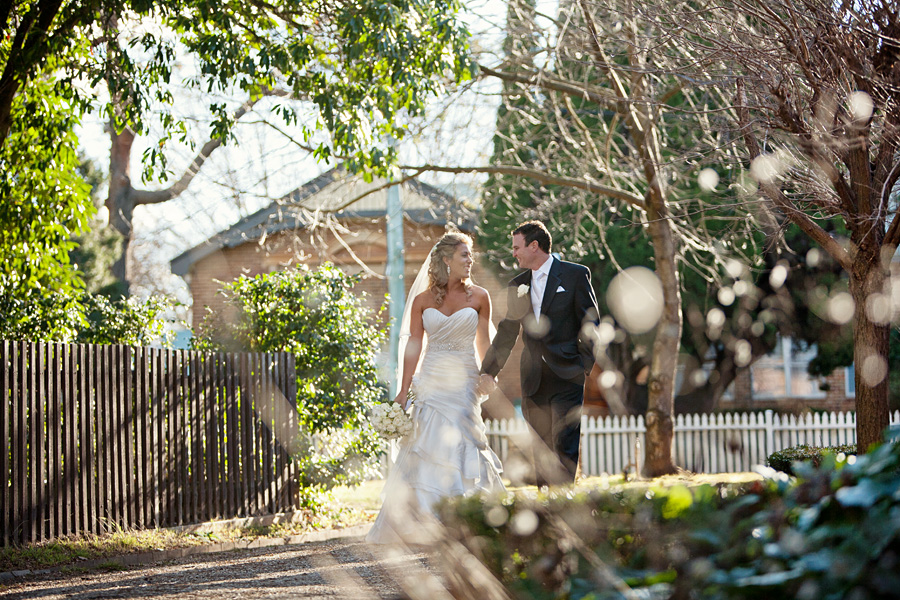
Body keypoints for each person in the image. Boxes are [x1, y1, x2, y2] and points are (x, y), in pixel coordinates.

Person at [366, 232, 506, 546]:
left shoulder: (480, 296)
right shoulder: (423, 300)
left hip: (465, 381)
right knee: (425, 442)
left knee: (465, 440)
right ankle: (423, 520)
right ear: (446, 259)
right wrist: (403, 391)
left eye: (470, 256)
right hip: (431, 380)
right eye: (464, 256)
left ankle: (466, 517)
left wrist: (489, 374)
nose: (470, 261)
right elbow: (414, 345)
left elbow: (484, 342)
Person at [478, 220, 599, 486]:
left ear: (535, 246)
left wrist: (583, 365)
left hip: (568, 374)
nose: (514, 253)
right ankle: (546, 504)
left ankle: (564, 501)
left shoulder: (575, 275)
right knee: (540, 446)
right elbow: (507, 332)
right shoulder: (517, 285)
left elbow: (591, 324)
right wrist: (487, 371)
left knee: (566, 441)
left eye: (517, 247)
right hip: (533, 378)